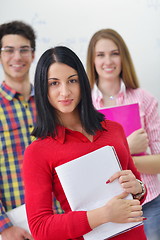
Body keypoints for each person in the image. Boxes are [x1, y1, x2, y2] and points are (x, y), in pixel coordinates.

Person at [23, 46, 147, 240]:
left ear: (82, 82)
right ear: (42, 89)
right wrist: (104, 215)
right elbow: (40, 228)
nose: (65, 92)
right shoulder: (37, 152)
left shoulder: (114, 130)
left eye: (72, 81)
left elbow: (137, 195)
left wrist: (139, 188)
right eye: (54, 83)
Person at [86, 28, 160, 240]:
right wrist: (128, 147)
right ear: (92, 60)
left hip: (149, 204)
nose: (108, 61)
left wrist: (117, 159)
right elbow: (90, 168)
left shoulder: (144, 99)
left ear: (123, 57)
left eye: (114, 53)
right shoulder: (84, 106)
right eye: (100, 55)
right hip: (106, 208)